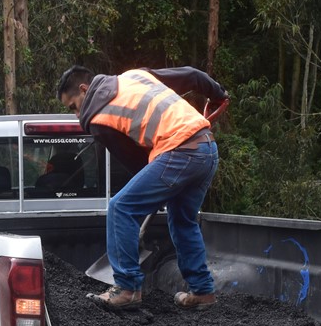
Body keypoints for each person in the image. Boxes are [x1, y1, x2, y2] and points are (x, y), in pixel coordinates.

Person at [56, 64, 229, 311]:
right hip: (207, 149)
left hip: (180, 151)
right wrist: (217, 93)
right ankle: (202, 292)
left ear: (85, 89)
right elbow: (191, 75)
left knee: (121, 207)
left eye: (73, 106)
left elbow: (136, 162)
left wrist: (155, 192)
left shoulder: (98, 118)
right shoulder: (134, 76)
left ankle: (126, 289)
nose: (76, 115)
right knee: (182, 221)